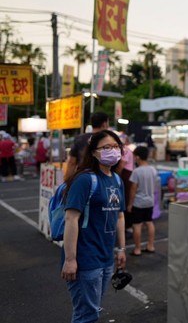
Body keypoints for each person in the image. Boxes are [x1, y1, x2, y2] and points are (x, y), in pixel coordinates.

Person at [61, 129, 126, 323]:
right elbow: (71, 219)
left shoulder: (116, 179)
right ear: (93, 152)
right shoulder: (85, 180)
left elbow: (120, 216)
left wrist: (121, 248)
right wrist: (70, 259)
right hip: (85, 259)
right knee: (86, 315)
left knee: (92, 310)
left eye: (116, 146)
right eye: (106, 147)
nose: (112, 151)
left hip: (106, 258)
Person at [128, 146, 158, 256]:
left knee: (137, 225)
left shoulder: (136, 172)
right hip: (149, 201)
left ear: (138, 157)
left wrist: (130, 204)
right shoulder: (153, 170)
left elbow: (133, 189)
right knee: (149, 222)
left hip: (138, 202)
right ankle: (151, 246)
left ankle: (137, 249)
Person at [65, 112, 110, 180]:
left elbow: (72, 162)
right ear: (104, 124)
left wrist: (67, 181)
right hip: (102, 178)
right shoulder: (108, 140)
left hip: (82, 177)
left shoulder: (80, 139)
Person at [116, 134, 135, 232]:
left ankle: (127, 226)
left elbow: (121, 165)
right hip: (127, 175)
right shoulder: (127, 149)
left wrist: (114, 177)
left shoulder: (125, 150)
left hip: (126, 176)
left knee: (125, 199)